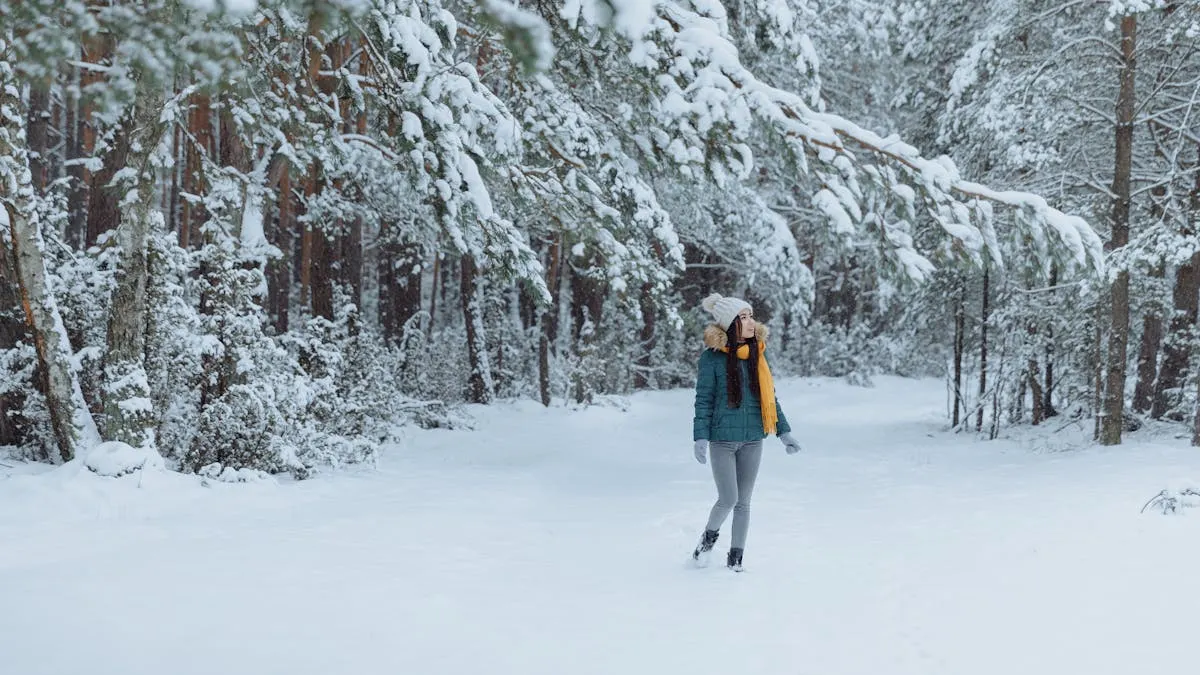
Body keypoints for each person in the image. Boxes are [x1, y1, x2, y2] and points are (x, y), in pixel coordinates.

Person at [691, 293, 801, 572]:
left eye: (751, 316)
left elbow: (770, 399)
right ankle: (706, 542)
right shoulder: (712, 359)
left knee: (744, 503)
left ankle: (736, 560)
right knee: (728, 498)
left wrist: (783, 432)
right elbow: (703, 399)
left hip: (753, 439)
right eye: (744, 317)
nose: (751, 322)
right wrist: (700, 435)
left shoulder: (758, 356)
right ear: (730, 324)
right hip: (723, 441)